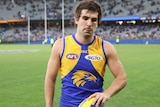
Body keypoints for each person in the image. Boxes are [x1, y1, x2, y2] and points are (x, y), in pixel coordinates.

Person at [44, 0, 127, 107]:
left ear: (97, 23)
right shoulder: (60, 45)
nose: (89, 23)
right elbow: (50, 78)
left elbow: (122, 77)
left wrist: (107, 93)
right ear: (76, 20)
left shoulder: (106, 48)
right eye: (85, 18)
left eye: (93, 20)